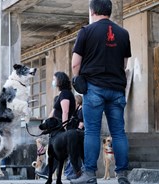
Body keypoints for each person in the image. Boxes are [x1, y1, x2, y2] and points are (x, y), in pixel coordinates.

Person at [70, 0, 131, 183]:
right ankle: (122, 175)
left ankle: (89, 175)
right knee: (119, 132)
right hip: (117, 89)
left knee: (92, 132)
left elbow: (75, 63)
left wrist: (78, 80)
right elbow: (125, 64)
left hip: (94, 88)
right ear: (110, 11)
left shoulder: (86, 32)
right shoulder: (123, 33)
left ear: (92, 10)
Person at [36, 71, 76, 179]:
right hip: (55, 129)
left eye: (54, 79)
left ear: (60, 80)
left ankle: (74, 173)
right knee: (54, 152)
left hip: (61, 129)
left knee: (59, 152)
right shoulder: (61, 94)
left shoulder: (65, 94)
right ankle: (46, 172)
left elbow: (65, 111)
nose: (53, 81)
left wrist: (64, 127)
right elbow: (53, 111)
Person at [64, 95, 84, 180]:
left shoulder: (81, 110)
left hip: (79, 135)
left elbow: (81, 124)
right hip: (76, 135)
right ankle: (70, 173)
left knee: (76, 155)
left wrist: (76, 132)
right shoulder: (77, 110)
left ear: (77, 102)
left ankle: (73, 173)